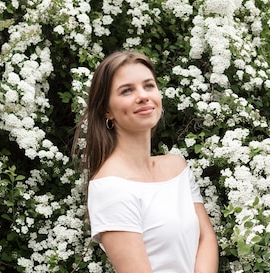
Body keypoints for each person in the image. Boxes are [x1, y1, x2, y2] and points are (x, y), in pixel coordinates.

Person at [72, 50, 219, 273]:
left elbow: (205, 239)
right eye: (127, 90)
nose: (143, 95)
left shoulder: (177, 167)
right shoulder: (110, 187)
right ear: (107, 110)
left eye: (149, 85)